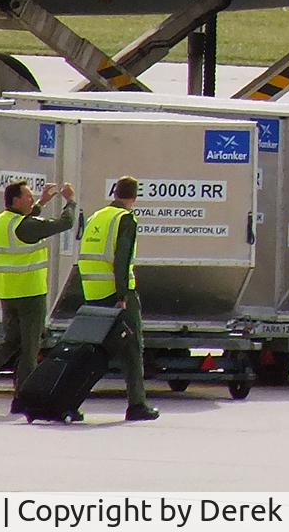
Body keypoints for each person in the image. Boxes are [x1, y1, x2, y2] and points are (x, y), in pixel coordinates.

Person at [0, 178, 75, 413]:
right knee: (29, 348)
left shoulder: (1, 221)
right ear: (16, 200)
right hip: (30, 293)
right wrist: (71, 201)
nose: (31, 199)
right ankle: (22, 398)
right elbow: (64, 224)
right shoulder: (25, 226)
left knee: (10, 341)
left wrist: (42, 202)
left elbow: (24, 223)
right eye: (27, 196)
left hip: (7, 291)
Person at [77, 176, 158, 421]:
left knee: (93, 352)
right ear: (134, 197)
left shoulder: (96, 217)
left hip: (92, 291)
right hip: (116, 293)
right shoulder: (126, 219)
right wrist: (122, 296)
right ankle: (137, 404)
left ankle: (68, 398)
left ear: (115, 193)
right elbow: (121, 260)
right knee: (132, 349)